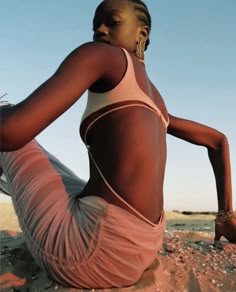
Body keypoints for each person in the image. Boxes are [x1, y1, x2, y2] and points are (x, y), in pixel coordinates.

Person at [0, 0, 235, 289]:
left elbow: (9, 133)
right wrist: (225, 216)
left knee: (5, 114)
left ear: (142, 34)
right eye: (95, 24)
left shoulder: (101, 56)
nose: (99, 28)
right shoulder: (158, 103)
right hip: (142, 248)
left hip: (91, 252)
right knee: (44, 157)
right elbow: (218, 141)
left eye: (112, 21)